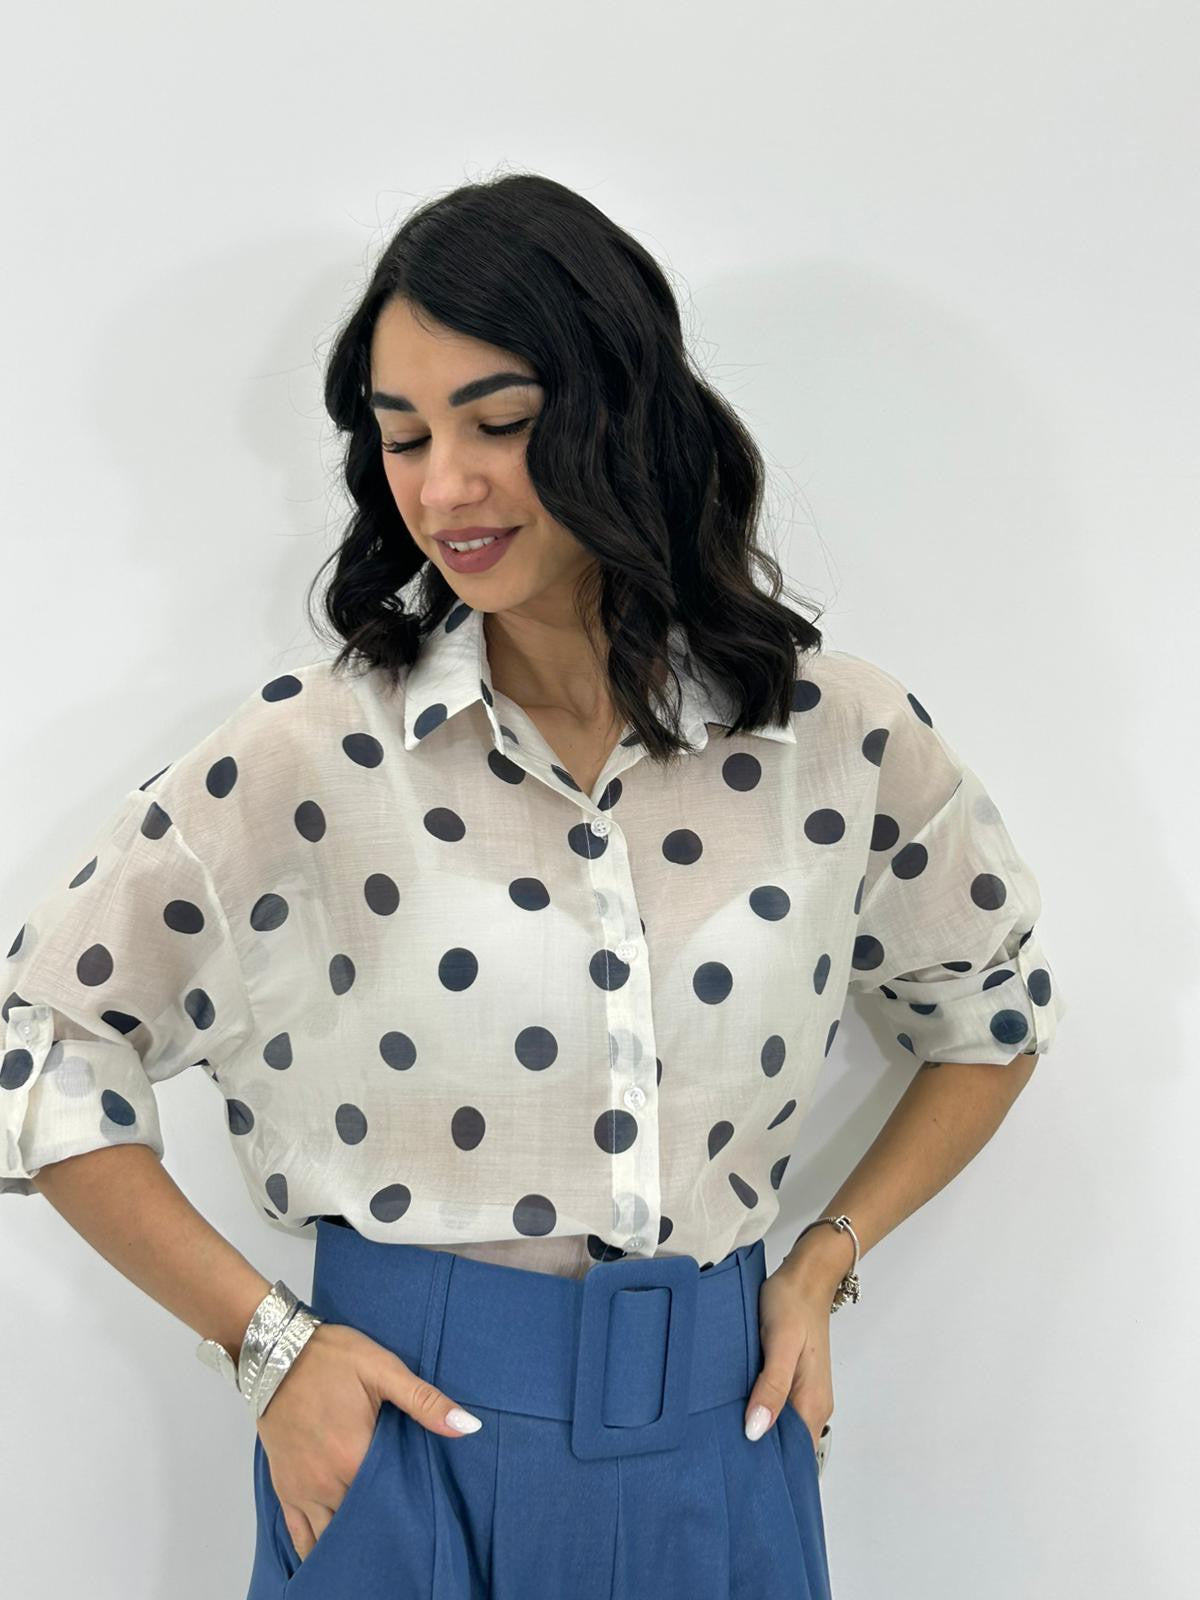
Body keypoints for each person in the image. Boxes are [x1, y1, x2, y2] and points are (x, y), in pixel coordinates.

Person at [1, 172, 1065, 1599]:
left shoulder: (836, 736)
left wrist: (825, 1260)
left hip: (726, 1435)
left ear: (625, 410)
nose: (443, 486)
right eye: (404, 437)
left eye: (498, 423)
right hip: (405, 1437)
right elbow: (45, 1041)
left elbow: (989, 1012)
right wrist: (269, 1348)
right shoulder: (313, 755)